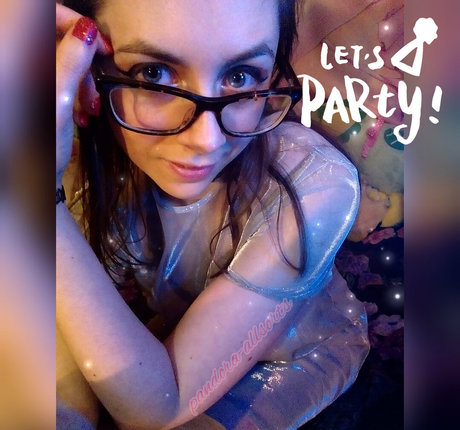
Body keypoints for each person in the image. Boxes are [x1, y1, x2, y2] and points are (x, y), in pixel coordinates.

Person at [56, 1, 370, 429]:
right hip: (179, 331)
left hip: (295, 351)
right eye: (153, 74)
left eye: (240, 76)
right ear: (86, 67)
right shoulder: (75, 151)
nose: (206, 140)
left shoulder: (316, 183)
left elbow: (159, 409)